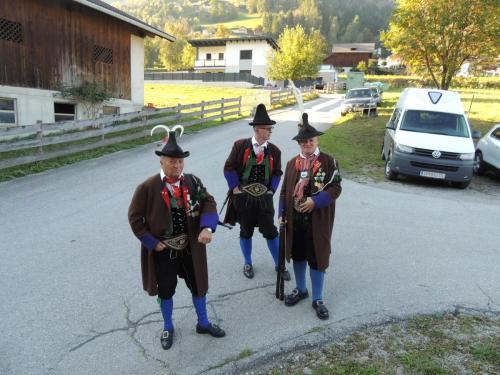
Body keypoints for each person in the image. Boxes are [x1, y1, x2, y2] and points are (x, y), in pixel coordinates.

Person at [128, 130, 225, 351]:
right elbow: (134, 219)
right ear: (161, 161)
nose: (178, 166)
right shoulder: (147, 187)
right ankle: (168, 326)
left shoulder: (192, 182)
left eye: (180, 162)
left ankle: (203, 323)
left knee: (199, 285)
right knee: (166, 290)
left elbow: (209, 201)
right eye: (172, 162)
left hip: (192, 247)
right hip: (164, 250)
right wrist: (153, 242)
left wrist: (207, 227)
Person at [279, 113, 342, 320]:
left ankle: (318, 298)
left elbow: (335, 188)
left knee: (317, 256)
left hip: (318, 219)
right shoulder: (291, 164)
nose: (307, 144)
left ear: (317, 141)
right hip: (294, 219)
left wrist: (316, 201)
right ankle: (300, 289)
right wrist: (281, 214)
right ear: (299, 143)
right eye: (303, 141)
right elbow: (284, 191)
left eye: (311, 140)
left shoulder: (329, 161)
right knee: (298, 254)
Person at [223, 103, 290, 280]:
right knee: (246, 231)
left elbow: (277, 173)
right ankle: (247, 262)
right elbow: (228, 168)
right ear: (257, 129)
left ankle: (279, 265)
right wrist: (235, 188)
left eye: (270, 129)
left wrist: (271, 191)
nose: (269, 132)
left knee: (271, 231)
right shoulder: (240, 146)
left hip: (264, 200)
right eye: (267, 129)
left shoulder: (275, 151)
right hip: (243, 199)